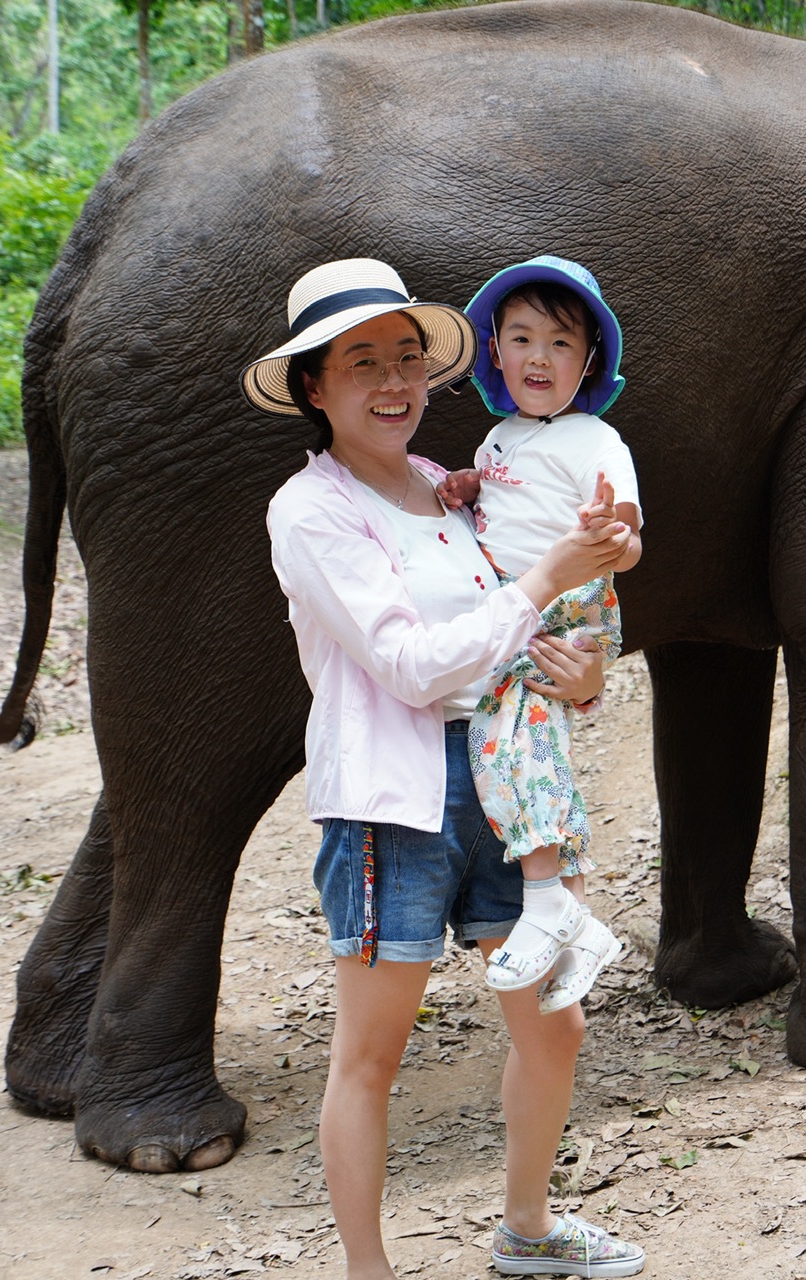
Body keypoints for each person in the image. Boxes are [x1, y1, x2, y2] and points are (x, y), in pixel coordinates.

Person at [246, 257, 647, 1279]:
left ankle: (527, 1226)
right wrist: (557, 570)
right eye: (362, 362)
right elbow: (416, 666)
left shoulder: (451, 483)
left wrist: (583, 671)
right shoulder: (311, 511)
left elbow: (517, 636)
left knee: (557, 1027)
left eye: (407, 360)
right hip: (396, 800)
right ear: (313, 386)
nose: (393, 382)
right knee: (372, 1056)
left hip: (507, 778)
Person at [433, 256, 642, 1009]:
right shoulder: (498, 440)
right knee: (516, 750)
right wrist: (465, 485)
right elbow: (497, 501)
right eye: (521, 339)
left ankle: (553, 898)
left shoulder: (595, 440)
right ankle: (567, 913)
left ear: (588, 359)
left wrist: (612, 536)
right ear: (496, 352)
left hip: (561, 612)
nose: (539, 358)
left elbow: (627, 530)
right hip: (516, 613)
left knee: (508, 744)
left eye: (560, 343)